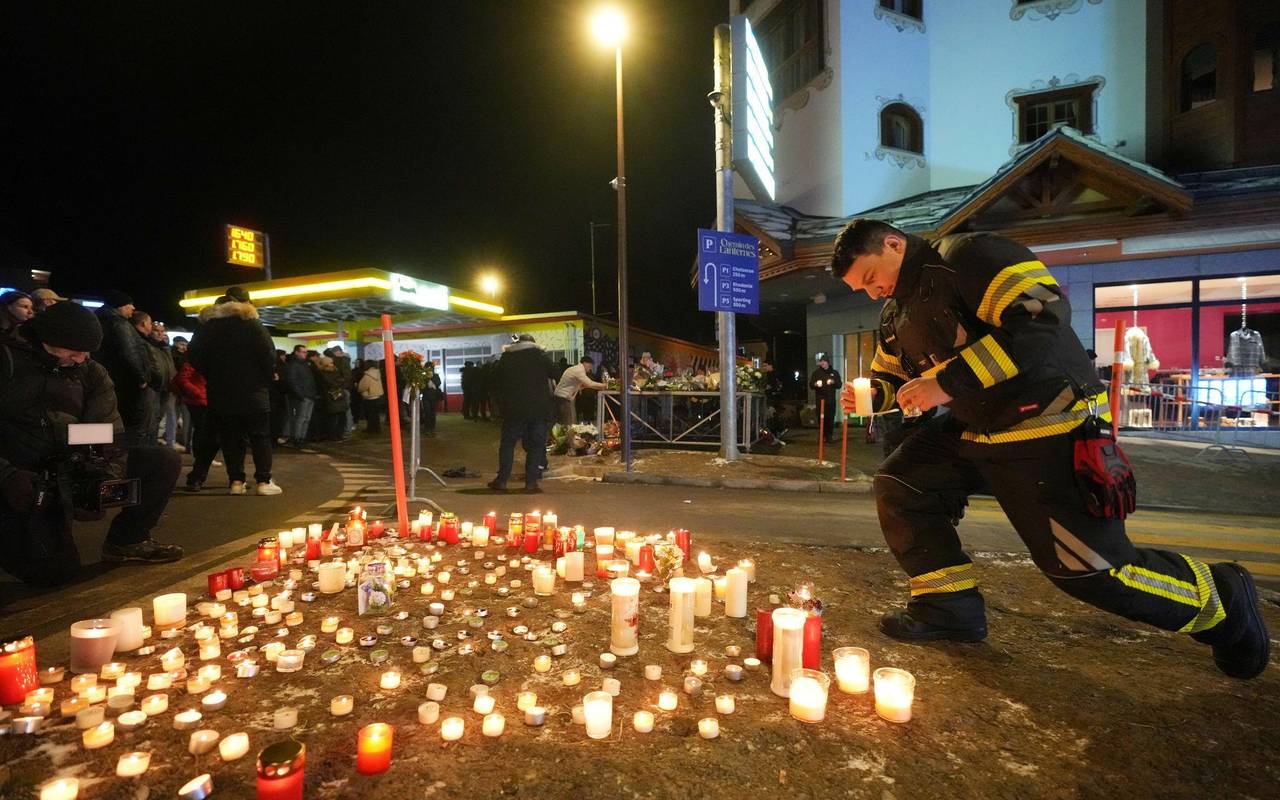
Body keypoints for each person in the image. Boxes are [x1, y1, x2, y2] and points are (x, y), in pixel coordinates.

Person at [830, 217, 1268, 680]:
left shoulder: (972, 256)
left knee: (1090, 571)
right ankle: (948, 608)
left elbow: (1043, 313)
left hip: (1050, 426)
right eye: (861, 288)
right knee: (902, 483)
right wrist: (871, 397)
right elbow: (894, 378)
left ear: (894, 244)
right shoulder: (895, 315)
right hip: (977, 429)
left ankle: (1219, 597)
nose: (872, 292)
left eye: (871, 278)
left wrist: (946, 382)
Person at [0, 302, 183, 582]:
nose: (81, 359)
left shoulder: (91, 372)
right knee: (53, 573)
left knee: (162, 460)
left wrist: (100, 475)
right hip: (20, 472)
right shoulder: (8, 362)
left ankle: (127, 541)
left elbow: (104, 430)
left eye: (87, 352)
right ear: (46, 340)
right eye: (73, 352)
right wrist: (7, 475)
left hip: (66, 462)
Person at [187, 291, 282, 495]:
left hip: (220, 393)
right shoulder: (252, 324)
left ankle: (236, 482)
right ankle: (264, 481)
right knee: (260, 437)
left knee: (231, 439)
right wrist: (265, 375)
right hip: (254, 392)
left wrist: (213, 374)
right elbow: (268, 354)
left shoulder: (208, 327)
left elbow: (193, 355)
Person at [488, 334, 557, 494]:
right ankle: (531, 483)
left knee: (508, 444)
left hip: (514, 409)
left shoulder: (507, 357)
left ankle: (502, 480)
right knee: (536, 445)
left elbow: (495, 379)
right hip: (538, 409)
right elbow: (555, 372)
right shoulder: (540, 356)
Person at [94, 290, 153, 447]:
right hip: (125, 384)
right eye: (129, 304)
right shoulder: (119, 323)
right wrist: (141, 378)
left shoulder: (98, 320)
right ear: (120, 306)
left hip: (106, 380)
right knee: (131, 424)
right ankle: (130, 460)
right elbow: (130, 352)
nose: (133, 308)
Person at [175, 352, 219, 492]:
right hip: (201, 401)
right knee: (207, 436)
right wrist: (198, 393)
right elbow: (183, 379)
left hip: (210, 401)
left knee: (209, 436)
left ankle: (197, 475)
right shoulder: (196, 359)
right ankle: (197, 475)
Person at [553, 356, 607, 426]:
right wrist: (605, 385)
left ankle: (569, 436)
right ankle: (568, 436)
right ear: (585, 363)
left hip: (563, 397)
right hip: (563, 398)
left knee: (568, 421)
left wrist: (599, 387)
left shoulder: (575, 369)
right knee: (567, 422)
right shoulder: (579, 370)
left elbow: (581, 386)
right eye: (590, 366)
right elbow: (589, 383)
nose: (590, 368)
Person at [282, 344, 317, 447]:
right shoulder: (295, 365)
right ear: (296, 352)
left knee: (305, 418)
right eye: (303, 352)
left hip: (308, 394)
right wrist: (301, 395)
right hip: (304, 395)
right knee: (301, 418)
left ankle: (301, 437)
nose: (305, 354)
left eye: (306, 352)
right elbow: (292, 381)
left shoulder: (303, 364)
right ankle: (297, 438)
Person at [314, 356, 349, 441]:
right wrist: (339, 382)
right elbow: (332, 383)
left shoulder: (334, 371)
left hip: (338, 396)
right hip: (331, 397)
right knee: (333, 418)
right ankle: (333, 435)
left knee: (341, 417)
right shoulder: (322, 373)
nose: (332, 364)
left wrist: (339, 382)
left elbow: (342, 380)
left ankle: (338, 434)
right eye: (330, 363)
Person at [809, 355, 840, 443]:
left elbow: (839, 385)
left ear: (827, 362)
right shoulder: (816, 373)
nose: (822, 363)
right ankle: (822, 435)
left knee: (830, 418)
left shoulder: (834, 372)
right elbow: (811, 385)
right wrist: (815, 384)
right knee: (821, 418)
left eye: (824, 361)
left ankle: (829, 436)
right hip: (820, 400)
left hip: (830, 400)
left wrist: (833, 382)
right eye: (821, 361)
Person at [169, 335, 192, 450]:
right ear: (175, 343)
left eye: (185, 344)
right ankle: (176, 441)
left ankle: (182, 441)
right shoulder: (175, 356)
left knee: (179, 416)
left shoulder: (174, 355)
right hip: (178, 390)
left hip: (180, 390)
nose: (184, 347)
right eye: (181, 344)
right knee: (174, 416)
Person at [357, 360, 384, 433]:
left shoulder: (367, 375)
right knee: (376, 415)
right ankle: (377, 428)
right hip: (377, 396)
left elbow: (362, 387)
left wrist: (358, 389)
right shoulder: (377, 373)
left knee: (370, 415)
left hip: (369, 396)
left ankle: (371, 429)